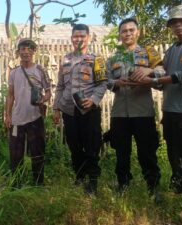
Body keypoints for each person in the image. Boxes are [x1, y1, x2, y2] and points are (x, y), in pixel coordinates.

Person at [131, 5, 182, 206]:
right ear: (171, 26)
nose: (179, 25)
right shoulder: (172, 49)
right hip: (170, 111)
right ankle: (181, 191)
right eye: (174, 22)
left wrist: (152, 80)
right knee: (174, 154)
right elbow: (162, 71)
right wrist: (149, 72)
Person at [106, 18, 162, 193]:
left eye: (131, 30)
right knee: (122, 153)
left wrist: (149, 71)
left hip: (143, 112)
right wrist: (116, 83)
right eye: (124, 31)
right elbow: (105, 81)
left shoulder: (149, 53)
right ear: (120, 35)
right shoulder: (114, 57)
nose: (128, 33)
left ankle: (153, 187)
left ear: (138, 32)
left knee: (147, 152)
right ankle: (123, 184)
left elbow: (163, 73)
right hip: (119, 113)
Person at [53, 24, 107, 194]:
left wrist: (93, 100)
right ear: (71, 39)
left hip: (88, 110)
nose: (79, 39)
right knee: (74, 146)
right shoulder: (65, 60)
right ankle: (79, 176)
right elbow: (60, 86)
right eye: (75, 36)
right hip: (69, 110)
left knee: (91, 146)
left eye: (82, 36)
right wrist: (56, 108)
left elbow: (103, 83)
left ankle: (92, 182)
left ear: (88, 38)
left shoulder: (96, 59)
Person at [4, 38, 51, 186]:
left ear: (34, 52)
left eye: (29, 49)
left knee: (38, 152)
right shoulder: (14, 73)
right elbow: (10, 95)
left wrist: (43, 100)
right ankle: (16, 183)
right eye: (22, 49)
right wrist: (7, 115)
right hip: (17, 119)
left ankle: (38, 183)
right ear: (18, 52)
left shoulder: (40, 70)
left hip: (35, 118)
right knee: (15, 153)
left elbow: (49, 92)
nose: (26, 52)